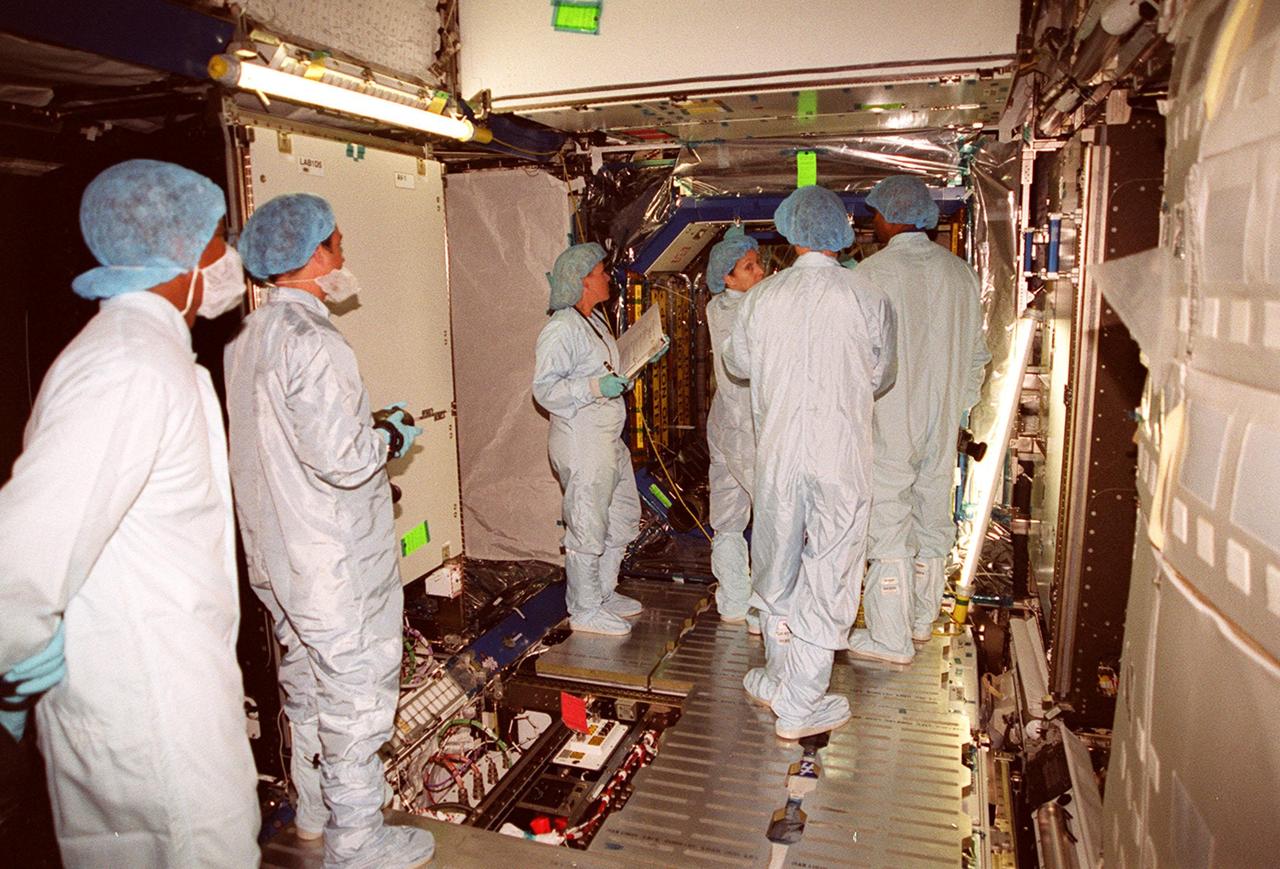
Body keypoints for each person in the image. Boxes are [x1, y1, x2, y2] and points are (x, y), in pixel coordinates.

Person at [0, 159, 259, 866]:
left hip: (158, 699)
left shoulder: (145, 354)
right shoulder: (128, 367)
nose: (227, 258)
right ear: (176, 253)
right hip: (150, 726)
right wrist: (13, 654)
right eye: (215, 240)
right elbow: (21, 557)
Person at [225, 193, 433, 868]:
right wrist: (388, 434)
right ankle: (358, 841)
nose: (344, 254)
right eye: (337, 243)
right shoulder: (316, 342)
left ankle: (314, 814)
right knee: (356, 695)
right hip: (333, 562)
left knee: (305, 686)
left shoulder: (249, 338)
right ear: (313, 256)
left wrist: (360, 430)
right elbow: (343, 460)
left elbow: (289, 444)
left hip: (280, 556)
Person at [724, 186, 896, 740]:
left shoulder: (761, 298)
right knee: (832, 567)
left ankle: (781, 678)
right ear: (840, 235)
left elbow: (739, 363)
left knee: (775, 566)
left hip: (777, 458)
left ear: (790, 233)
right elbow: (881, 374)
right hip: (839, 455)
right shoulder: (866, 297)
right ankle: (801, 698)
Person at [848, 175, 990, 665]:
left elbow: (856, 360)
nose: (874, 223)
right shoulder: (961, 274)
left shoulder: (871, 275)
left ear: (892, 215)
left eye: (876, 215)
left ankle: (889, 639)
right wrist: (955, 407)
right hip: (942, 420)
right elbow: (977, 357)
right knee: (932, 513)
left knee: (888, 517)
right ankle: (920, 621)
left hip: (888, 417)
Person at [533, 242, 666, 637]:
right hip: (582, 439)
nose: (608, 277)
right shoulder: (560, 328)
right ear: (582, 281)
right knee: (587, 525)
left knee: (624, 515)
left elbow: (607, 367)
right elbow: (545, 389)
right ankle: (585, 608)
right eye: (602, 272)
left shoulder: (593, 319)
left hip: (607, 436)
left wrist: (641, 357)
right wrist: (595, 386)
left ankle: (603, 593)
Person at [704, 227, 765, 629]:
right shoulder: (744, 313)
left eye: (759, 263)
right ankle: (762, 609)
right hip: (748, 427)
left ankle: (733, 602)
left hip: (727, 424)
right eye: (749, 267)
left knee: (728, 517)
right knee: (771, 516)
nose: (760, 272)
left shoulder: (720, 306)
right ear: (727, 278)